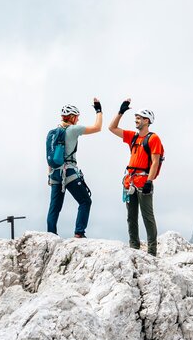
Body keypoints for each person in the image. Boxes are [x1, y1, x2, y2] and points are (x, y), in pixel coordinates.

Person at [109, 99, 163, 256]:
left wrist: (149, 181)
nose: (136, 120)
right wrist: (121, 112)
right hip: (130, 182)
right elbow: (112, 127)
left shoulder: (153, 138)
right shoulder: (133, 137)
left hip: (143, 181)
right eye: (136, 118)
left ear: (147, 121)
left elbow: (155, 162)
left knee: (147, 217)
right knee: (131, 217)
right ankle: (134, 247)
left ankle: (152, 252)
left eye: (139, 118)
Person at [46, 99, 102, 238]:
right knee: (85, 201)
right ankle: (79, 233)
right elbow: (97, 127)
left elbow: (49, 156)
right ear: (71, 117)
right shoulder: (73, 129)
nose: (78, 119)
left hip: (54, 173)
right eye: (76, 117)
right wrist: (98, 110)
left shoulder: (52, 133)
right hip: (69, 171)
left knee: (55, 208)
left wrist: (49, 176)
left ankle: (51, 235)